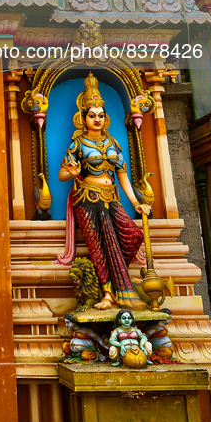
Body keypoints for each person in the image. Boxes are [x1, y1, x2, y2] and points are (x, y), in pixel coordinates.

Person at [57, 73, 149, 311]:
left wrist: (135, 203)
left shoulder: (113, 143)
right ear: (83, 118)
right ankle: (108, 293)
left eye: (100, 115)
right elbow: (62, 175)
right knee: (98, 246)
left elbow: (122, 175)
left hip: (111, 197)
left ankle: (119, 277)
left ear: (105, 118)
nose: (96, 119)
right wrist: (73, 171)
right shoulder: (78, 144)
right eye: (92, 115)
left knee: (133, 235)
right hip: (87, 198)